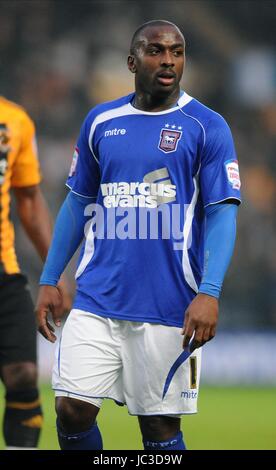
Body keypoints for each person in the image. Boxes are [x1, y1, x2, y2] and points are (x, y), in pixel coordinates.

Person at [36, 20, 241, 451]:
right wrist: (50, 278)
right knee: (71, 409)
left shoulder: (207, 126)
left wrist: (210, 292)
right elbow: (77, 204)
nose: (168, 60)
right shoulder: (101, 120)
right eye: (156, 51)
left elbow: (222, 213)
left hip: (170, 304)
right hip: (97, 298)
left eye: (177, 51)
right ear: (132, 61)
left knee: (160, 431)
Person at [0, 96, 70, 449]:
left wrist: (55, 271)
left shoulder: (15, 121)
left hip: (4, 272)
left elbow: (28, 200)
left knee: (24, 373)